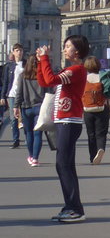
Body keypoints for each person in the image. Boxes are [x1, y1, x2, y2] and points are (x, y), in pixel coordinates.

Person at [37, 34, 91, 223]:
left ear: (77, 51)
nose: (64, 49)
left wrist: (45, 59)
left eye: (67, 46)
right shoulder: (70, 69)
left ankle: (75, 208)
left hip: (70, 121)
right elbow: (45, 82)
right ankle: (71, 205)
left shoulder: (77, 69)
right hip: (62, 121)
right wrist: (40, 62)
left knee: (64, 164)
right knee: (64, 165)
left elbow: (51, 80)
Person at [14, 54, 47, 166]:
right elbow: (48, 90)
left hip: (26, 107)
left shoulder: (23, 76)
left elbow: (19, 93)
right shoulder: (41, 75)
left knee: (29, 133)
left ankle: (31, 155)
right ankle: (35, 158)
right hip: (40, 107)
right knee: (38, 134)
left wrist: (15, 107)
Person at [82, 55, 110, 165]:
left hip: (87, 109)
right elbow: (109, 94)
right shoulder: (104, 77)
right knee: (101, 133)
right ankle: (101, 148)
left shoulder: (84, 79)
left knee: (91, 134)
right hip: (101, 108)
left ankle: (92, 157)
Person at [3, 44, 22, 147]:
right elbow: (5, 81)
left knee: (24, 118)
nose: (19, 52)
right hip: (12, 94)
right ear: (13, 52)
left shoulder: (26, 64)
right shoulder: (9, 66)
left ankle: (28, 138)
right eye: (17, 50)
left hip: (24, 95)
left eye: (20, 50)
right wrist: (2, 96)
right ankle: (16, 140)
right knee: (13, 118)